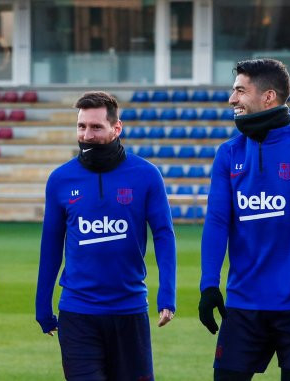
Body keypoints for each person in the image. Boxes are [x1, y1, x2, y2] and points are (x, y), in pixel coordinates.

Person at [35, 91, 176, 380]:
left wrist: (167, 294)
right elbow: (51, 245)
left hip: (129, 310)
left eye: (96, 127)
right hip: (77, 313)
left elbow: (164, 234)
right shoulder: (60, 179)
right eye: (81, 126)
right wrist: (42, 303)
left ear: (116, 128)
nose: (87, 135)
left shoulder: (146, 175)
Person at [200, 58, 290, 380]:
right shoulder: (228, 153)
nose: (232, 99)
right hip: (244, 305)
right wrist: (208, 285)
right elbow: (218, 223)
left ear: (268, 97)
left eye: (239, 91)